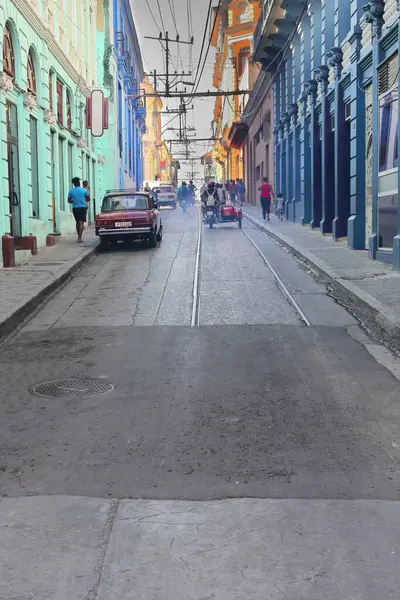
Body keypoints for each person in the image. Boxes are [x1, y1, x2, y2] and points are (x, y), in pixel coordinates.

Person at [68, 177, 90, 242]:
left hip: (75, 208)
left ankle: (79, 236)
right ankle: (79, 238)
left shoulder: (71, 191)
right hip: (83, 208)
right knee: (81, 222)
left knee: (77, 222)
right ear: (79, 183)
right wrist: (83, 200)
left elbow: (69, 201)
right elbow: (88, 199)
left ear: (74, 184)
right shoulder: (84, 190)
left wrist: (74, 201)